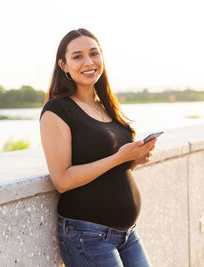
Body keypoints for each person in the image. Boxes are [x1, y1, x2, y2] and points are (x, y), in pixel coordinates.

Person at [39, 28, 157, 267]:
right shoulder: (57, 111)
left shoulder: (104, 105)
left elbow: (102, 164)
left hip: (126, 234)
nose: (89, 62)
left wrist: (132, 160)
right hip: (87, 235)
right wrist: (117, 158)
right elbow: (62, 179)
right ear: (64, 65)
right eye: (78, 56)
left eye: (94, 53)